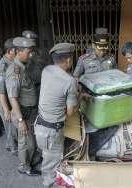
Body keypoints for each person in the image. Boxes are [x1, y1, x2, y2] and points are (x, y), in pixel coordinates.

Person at [35, 43, 79, 188]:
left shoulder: (46, 70)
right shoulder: (70, 81)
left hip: (40, 125)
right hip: (52, 132)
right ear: (68, 60)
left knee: (47, 157)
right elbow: (70, 112)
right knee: (51, 167)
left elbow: (55, 91)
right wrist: (79, 98)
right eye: (71, 58)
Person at [5, 37, 41, 176]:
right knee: (26, 143)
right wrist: (20, 121)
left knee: (30, 141)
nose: (31, 54)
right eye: (28, 51)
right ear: (19, 51)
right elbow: (12, 97)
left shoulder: (24, 66)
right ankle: (24, 167)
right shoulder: (15, 72)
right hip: (22, 114)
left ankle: (29, 161)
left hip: (29, 112)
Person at [0, 38, 17, 154]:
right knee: (9, 127)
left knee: (12, 126)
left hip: (11, 101)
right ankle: (13, 148)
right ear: (10, 51)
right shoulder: (1, 68)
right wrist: (7, 110)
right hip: (5, 102)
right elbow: (1, 92)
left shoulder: (12, 63)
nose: (18, 51)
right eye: (16, 49)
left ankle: (10, 144)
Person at [22, 30, 46, 98]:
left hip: (39, 83)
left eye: (34, 41)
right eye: (31, 41)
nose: (33, 43)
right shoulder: (21, 52)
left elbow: (42, 64)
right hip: (28, 85)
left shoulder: (38, 51)